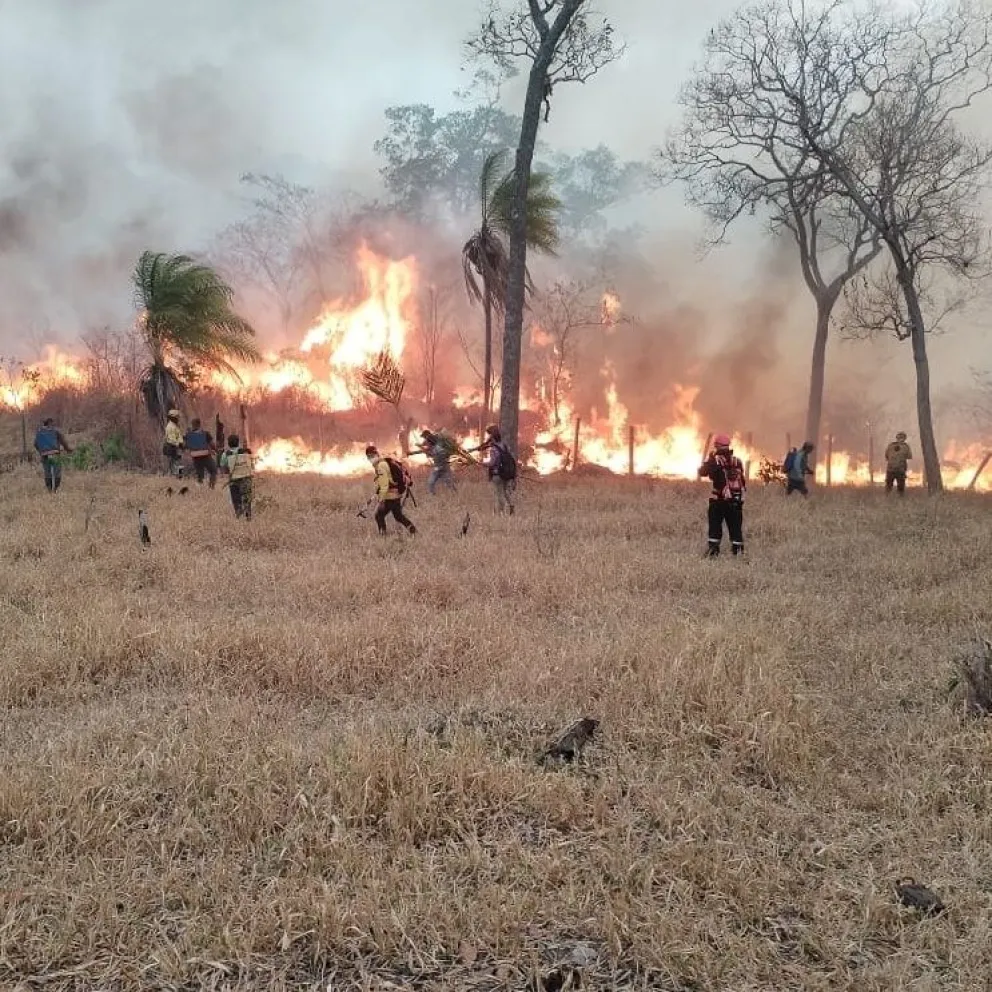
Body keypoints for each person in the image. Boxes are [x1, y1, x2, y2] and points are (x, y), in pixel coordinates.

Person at [699, 433, 746, 557]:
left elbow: (702, 472)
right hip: (736, 500)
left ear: (716, 446)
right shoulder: (738, 461)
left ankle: (713, 552)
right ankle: (738, 552)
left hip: (719, 501)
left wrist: (709, 459)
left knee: (715, 526)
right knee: (735, 527)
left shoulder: (715, 460)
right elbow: (742, 479)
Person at [365, 445, 417, 536]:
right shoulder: (384, 462)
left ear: (376, 454)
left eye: (371, 456)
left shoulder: (380, 466)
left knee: (378, 516)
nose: (370, 459)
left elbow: (385, 484)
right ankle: (414, 531)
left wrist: (381, 498)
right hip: (396, 494)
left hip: (390, 496)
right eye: (369, 457)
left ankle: (383, 536)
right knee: (398, 516)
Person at [477, 425, 516, 515]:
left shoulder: (494, 449)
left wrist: (482, 464)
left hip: (497, 474)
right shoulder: (504, 446)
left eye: (490, 437)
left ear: (493, 438)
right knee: (505, 491)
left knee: (498, 494)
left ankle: (500, 513)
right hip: (506, 473)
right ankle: (511, 505)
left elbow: (492, 463)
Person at [33, 417, 73, 493]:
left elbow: (35, 444)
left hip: (44, 455)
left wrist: (41, 452)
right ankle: (55, 489)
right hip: (55, 454)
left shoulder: (39, 432)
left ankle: (49, 490)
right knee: (57, 472)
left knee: (47, 473)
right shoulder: (55, 431)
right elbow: (63, 441)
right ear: (50, 423)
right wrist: (68, 449)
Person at [219, 434, 254, 519]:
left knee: (236, 499)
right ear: (238, 443)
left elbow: (223, 467)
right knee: (247, 498)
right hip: (246, 478)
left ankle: (239, 515)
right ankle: (248, 515)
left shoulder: (226, 454)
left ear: (228, 443)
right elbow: (251, 465)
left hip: (234, 480)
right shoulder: (246, 452)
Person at [418, 429, 458, 495]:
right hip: (440, 467)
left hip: (442, 468)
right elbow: (431, 453)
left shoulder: (438, 449)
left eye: (428, 442)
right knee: (432, 482)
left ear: (430, 442)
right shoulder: (435, 447)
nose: (427, 443)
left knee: (434, 482)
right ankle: (433, 495)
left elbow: (433, 454)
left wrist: (425, 451)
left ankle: (454, 494)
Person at [184, 418, 217, 489]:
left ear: (192, 425)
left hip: (195, 458)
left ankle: (198, 490)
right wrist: (214, 450)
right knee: (213, 470)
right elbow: (212, 445)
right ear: (199, 424)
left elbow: (186, 446)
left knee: (200, 476)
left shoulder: (188, 435)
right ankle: (211, 488)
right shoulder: (205, 433)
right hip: (205, 456)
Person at [163, 409, 184, 477]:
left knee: (177, 462)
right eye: (177, 417)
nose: (178, 419)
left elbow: (177, 436)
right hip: (172, 447)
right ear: (173, 418)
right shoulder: (170, 427)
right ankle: (178, 476)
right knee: (175, 463)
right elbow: (172, 440)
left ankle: (179, 476)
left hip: (175, 447)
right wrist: (180, 444)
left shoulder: (174, 426)